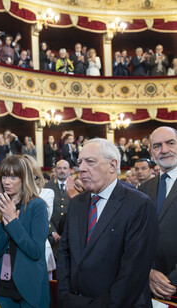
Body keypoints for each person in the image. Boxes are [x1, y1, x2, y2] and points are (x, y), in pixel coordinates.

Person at [57, 138, 157, 307]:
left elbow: (133, 271)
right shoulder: (76, 203)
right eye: (80, 162)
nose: (81, 168)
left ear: (112, 165)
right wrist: (65, 295)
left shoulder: (139, 204)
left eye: (90, 162)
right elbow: (64, 253)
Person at [0, 155, 49, 308]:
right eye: (4, 176)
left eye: (13, 176)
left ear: (24, 179)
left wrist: (13, 223)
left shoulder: (37, 206)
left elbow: (35, 251)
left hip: (30, 286)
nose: (6, 181)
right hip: (4, 284)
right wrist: (8, 230)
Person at [139, 127, 177, 303]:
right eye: (157, 146)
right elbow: (137, 236)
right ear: (151, 152)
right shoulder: (144, 188)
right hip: (148, 284)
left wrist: (171, 282)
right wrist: (148, 272)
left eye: (170, 143)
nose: (164, 150)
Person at [23, 154, 56, 279]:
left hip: (39, 249)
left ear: (35, 172)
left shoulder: (46, 193)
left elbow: (40, 221)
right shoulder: (10, 194)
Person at [44, 160, 70, 256]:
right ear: (55, 170)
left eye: (64, 168)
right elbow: (44, 212)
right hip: (52, 236)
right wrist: (52, 231)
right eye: (59, 168)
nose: (62, 170)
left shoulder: (75, 187)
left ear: (69, 170)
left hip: (69, 235)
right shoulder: (47, 186)